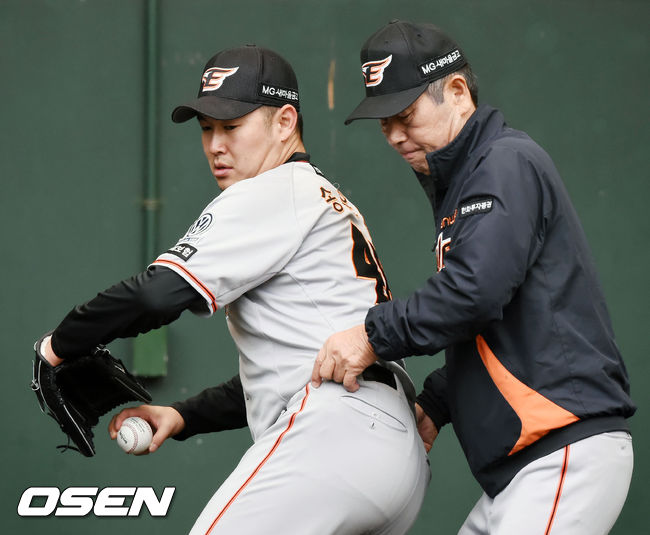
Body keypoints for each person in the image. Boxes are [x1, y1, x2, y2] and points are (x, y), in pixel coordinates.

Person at [39, 44, 429, 534]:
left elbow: (155, 295)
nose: (215, 145)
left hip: (336, 436)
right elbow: (290, 370)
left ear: (285, 122)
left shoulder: (271, 189)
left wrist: (58, 346)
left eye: (231, 126)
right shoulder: (318, 196)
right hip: (393, 454)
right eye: (207, 129)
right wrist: (182, 416)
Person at [310, 19, 636, 535]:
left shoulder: (503, 162)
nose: (394, 135)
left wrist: (370, 336)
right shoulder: (468, 178)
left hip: (563, 454)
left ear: (458, 92)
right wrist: (438, 401)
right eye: (383, 122)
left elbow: (473, 293)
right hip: (524, 472)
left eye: (405, 115)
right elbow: (502, 319)